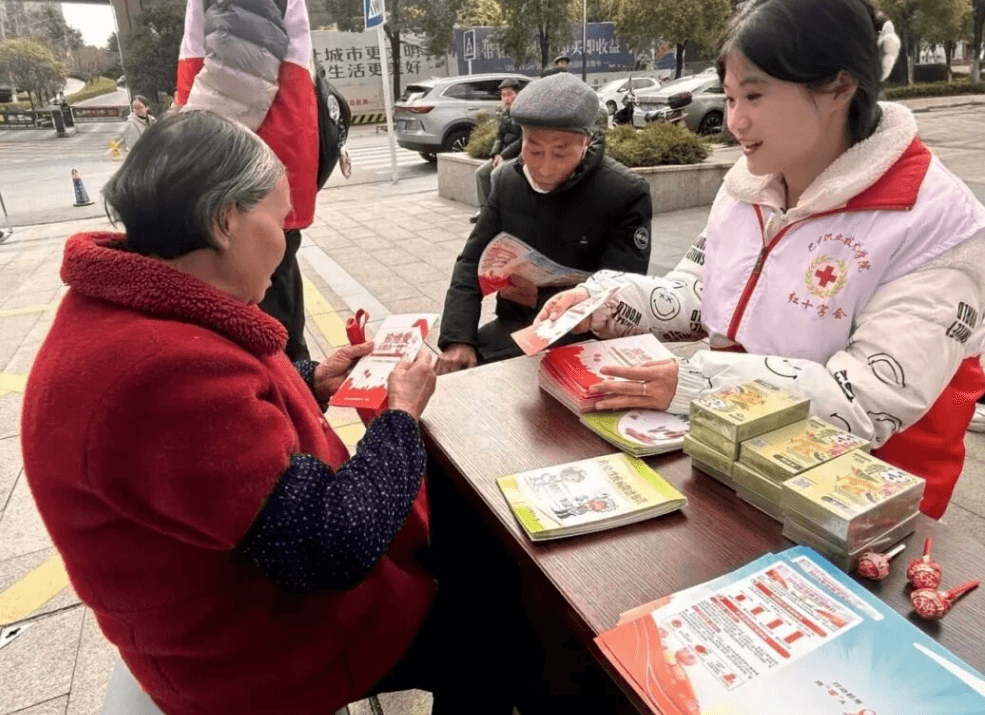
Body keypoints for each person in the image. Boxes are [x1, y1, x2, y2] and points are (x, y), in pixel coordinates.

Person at [20, 110, 516, 715]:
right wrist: (401, 415)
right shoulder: (160, 372)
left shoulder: (137, 304)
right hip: (259, 654)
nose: (286, 241)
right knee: (495, 637)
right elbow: (330, 547)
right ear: (225, 220)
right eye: (281, 219)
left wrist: (312, 382)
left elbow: (225, 444)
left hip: (227, 605)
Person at [537, 0, 985, 520]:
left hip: (860, 504)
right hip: (732, 463)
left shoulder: (937, 224)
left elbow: (864, 402)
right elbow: (703, 292)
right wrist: (606, 301)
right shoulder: (750, 185)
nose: (735, 121)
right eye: (729, 97)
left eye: (753, 96)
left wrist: (697, 383)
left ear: (839, 87)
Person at [437, 72, 653, 373]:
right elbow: (470, 262)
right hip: (515, 326)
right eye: (534, 150)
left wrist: (540, 297)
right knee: (450, 377)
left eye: (561, 152)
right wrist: (457, 338)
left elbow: (624, 291)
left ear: (586, 141)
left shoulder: (624, 192)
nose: (545, 168)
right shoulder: (508, 180)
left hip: (583, 339)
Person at [176, 0, 317, 361]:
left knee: (258, 346)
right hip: (261, 177)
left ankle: (291, 404)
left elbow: (234, 82)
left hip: (242, 189)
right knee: (275, 335)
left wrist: (184, 177)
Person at [470, 77, 522, 224]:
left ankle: (500, 213)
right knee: (481, 172)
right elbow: (499, 136)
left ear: (518, 94)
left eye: (509, 94)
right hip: (503, 155)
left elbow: (523, 140)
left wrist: (504, 156)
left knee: (495, 174)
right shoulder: (503, 114)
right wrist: (496, 154)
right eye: (503, 95)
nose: (506, 99)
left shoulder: (524, 112)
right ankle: (485, 211)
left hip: (519, 156)